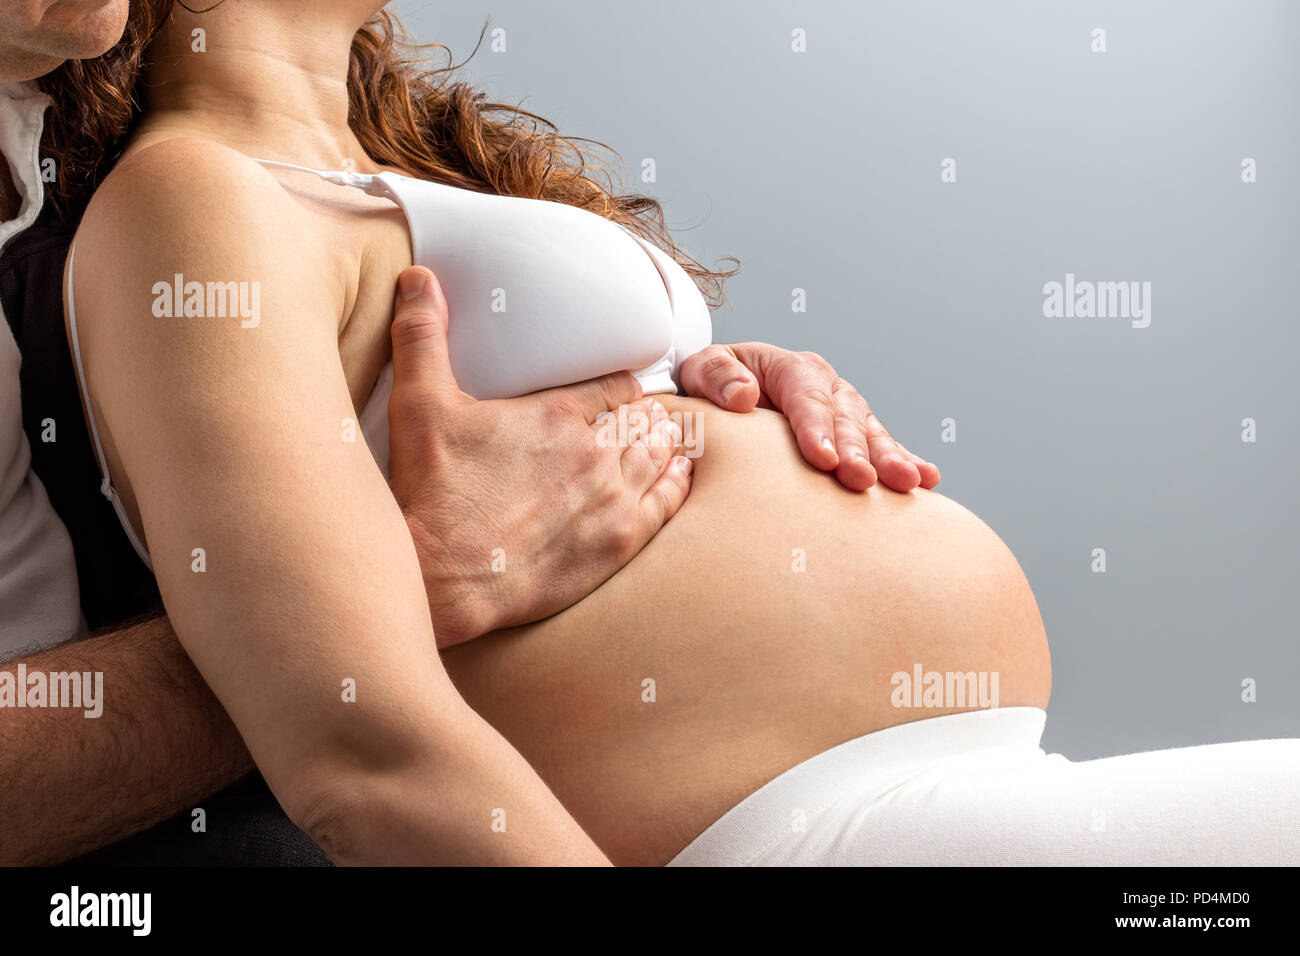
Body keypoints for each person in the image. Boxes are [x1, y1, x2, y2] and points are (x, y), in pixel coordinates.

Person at [0, 0, 930, 866]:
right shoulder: (184, 195)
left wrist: (710, 388)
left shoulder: (67, 196)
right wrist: (393, 590)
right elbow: (358, 744)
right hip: (772, 816)